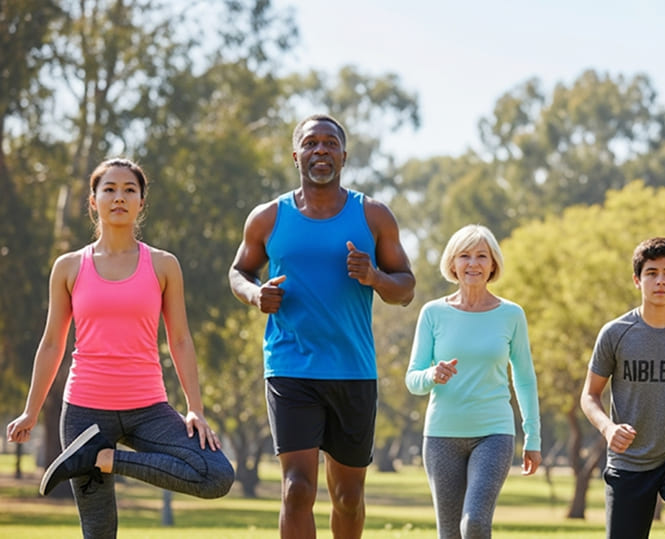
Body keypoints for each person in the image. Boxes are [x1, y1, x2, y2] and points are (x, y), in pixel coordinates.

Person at [5, 158, 234, 538]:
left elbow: (180, 339)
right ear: (93, 200)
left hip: (149, 409)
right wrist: (31, 411)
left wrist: (195, 408)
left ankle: (108, 459)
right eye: (109, 189)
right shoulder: (68, 267)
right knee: (99, 531)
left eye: (130, 189)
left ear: (142, 202)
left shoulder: (163, 265)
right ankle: (95, 453)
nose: (119, 197)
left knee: (216, 474)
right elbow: (52, 343)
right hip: (84, 414)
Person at [228, 114, 415, 539]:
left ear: (344, 156)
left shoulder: (373, 215)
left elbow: (405, 289)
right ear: (296, 155)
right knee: (296, 490)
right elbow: (238, 271)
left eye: (330, 144)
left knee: (348, 498)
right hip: (290, 367)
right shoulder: (268, 217)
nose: (321, 151)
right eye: (311, 144)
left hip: (353, 370)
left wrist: (375, 278)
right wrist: (256, 294)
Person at [405, 224, 542, 539]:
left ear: (493, 264)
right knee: (450, 534)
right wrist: (431, 375)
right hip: (441, 435)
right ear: (452, 263)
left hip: (493, 433)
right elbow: (413, 379)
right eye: (465, 255)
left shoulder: (511, 315)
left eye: (482, 256)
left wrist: (532, 437)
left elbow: (524, 378)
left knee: (475, 524)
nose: (473, 263)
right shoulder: (432, 313)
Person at [580, 237, 665, 539]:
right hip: (628, 459)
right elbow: (590, 395)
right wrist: (607, 429)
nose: (660, 281)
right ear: (637, 280)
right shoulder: (615, 333)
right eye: (651, 273)